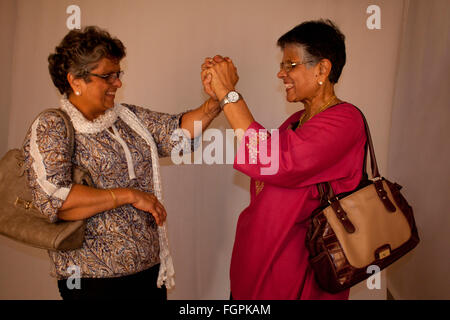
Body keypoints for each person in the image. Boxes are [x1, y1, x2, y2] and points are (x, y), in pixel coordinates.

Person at [22, 26, 224, 300]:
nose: (117, 83)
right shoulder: (52, 126)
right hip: (92, 281)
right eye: (108, 76)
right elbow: (56, 199)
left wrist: (216, 101)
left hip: (148, 272)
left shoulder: (126, 118)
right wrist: (129, 196)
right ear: (75, 81)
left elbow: (176, 134)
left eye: (118, 74)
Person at [202, 20, 366, 299]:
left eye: (291, 65)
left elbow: (273, 159)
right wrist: (221, 97)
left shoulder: (345, 120)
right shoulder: (296, 121)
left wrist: (229, 94)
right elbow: (263, 158)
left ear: (322, 70)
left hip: (295, 277)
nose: (281, 73)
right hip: (257, 266)